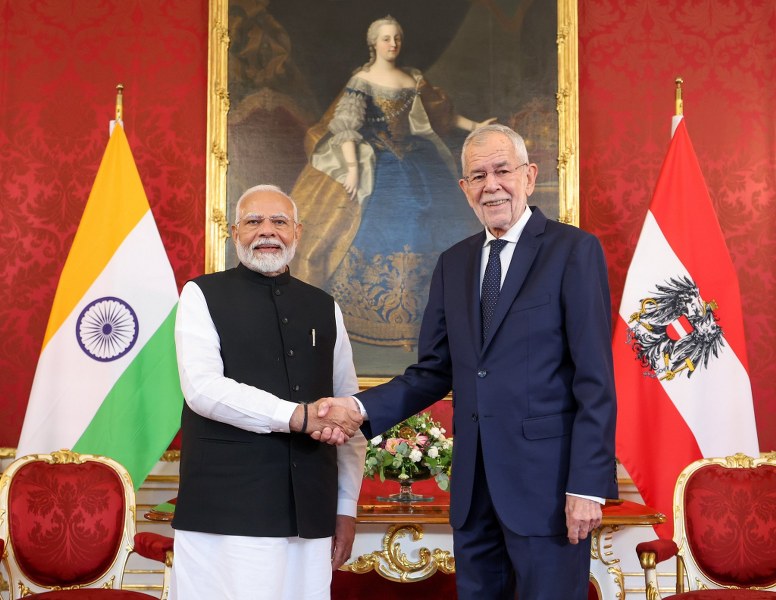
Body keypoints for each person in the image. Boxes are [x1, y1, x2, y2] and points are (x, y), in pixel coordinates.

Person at [319, 124, 617, 599]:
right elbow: (435, 370)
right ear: (464, 189)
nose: (491, 185)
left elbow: (595, 380)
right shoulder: (453, 263)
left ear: (529, 175)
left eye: (502, 171)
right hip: (474, 493)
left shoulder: (572, 251)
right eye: (478, 175)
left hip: (549, 492)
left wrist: (588, 485)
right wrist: (359, 409)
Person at [170, 184, 366, 600]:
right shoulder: (201, 294)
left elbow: (348, 411)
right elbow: (202, 389)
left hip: (310, 513)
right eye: (253, 221)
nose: (267, 231)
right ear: (234, 232)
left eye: (279, 221)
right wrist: (298, 416)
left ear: (297, 230)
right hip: (227, 510)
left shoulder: (324, 306)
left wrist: (346, 508)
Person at [291, 15, 495, 349]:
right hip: (376, 159)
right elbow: (346, 126)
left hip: (417, 156)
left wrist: (475, 127)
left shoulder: (412, 78)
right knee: (385, 218)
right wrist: (353, 170)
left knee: (440, 217)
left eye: (397, 38)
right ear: (374, 43)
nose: (393, 44)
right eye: (386, 38)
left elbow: (439, 117)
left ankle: (433, 316)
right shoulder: (363, 78)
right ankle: (372, 314)